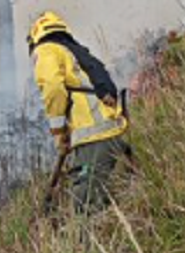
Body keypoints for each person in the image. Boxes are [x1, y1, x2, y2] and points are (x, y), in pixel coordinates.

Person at [28, 11, 132, 210]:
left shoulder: (47, 49)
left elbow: (53, 88)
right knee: (103, 198)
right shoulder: (76, 52)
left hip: (93, 137)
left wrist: (59, 132)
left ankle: (88, 240)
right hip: (113, 132)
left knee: (84, 207)